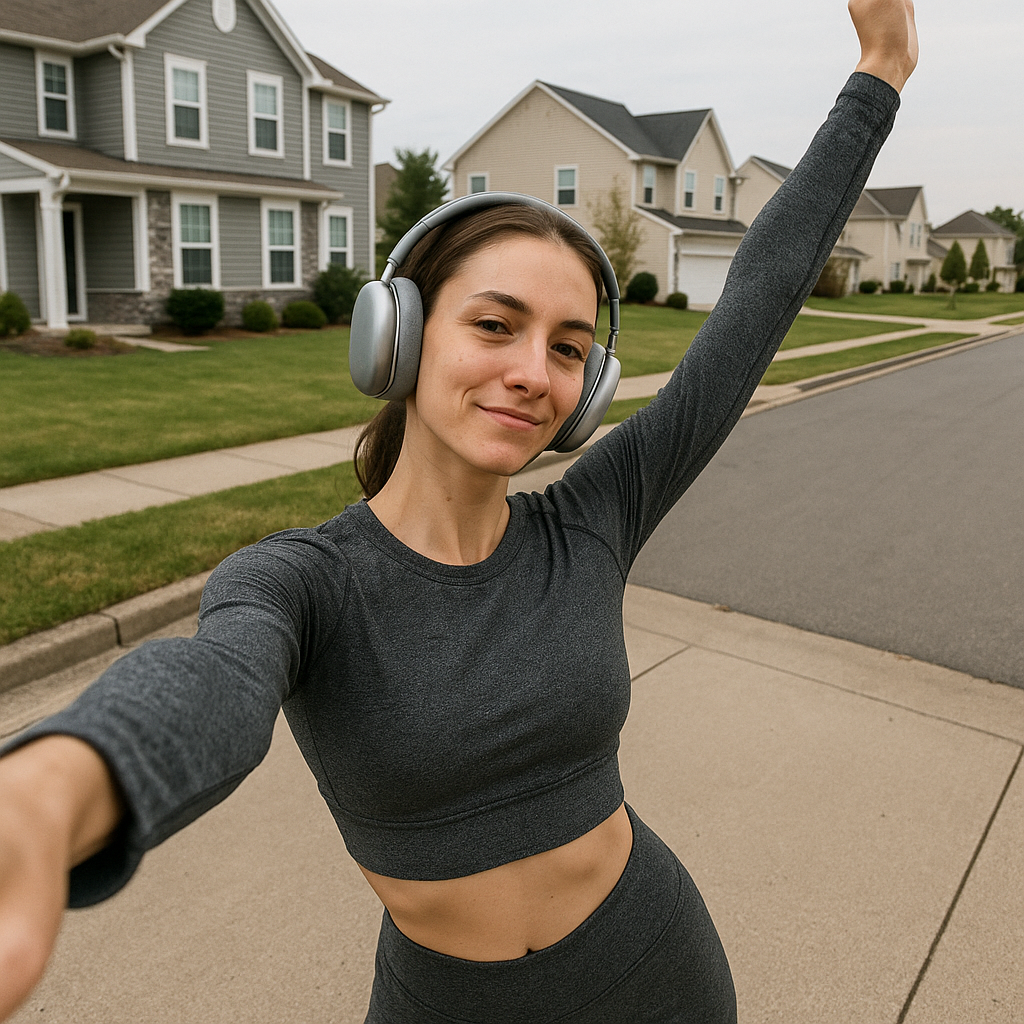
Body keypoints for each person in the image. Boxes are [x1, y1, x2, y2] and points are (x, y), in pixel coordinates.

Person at [0, 2, 918, 1020]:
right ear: (397, 337)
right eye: (495, 324)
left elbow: (757, 301)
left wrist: (877, 73)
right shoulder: (301, 582)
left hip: (657, 965)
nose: (533, 372)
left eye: (568, 347)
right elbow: (210, 683)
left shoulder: (591, 519)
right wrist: (47, 798)